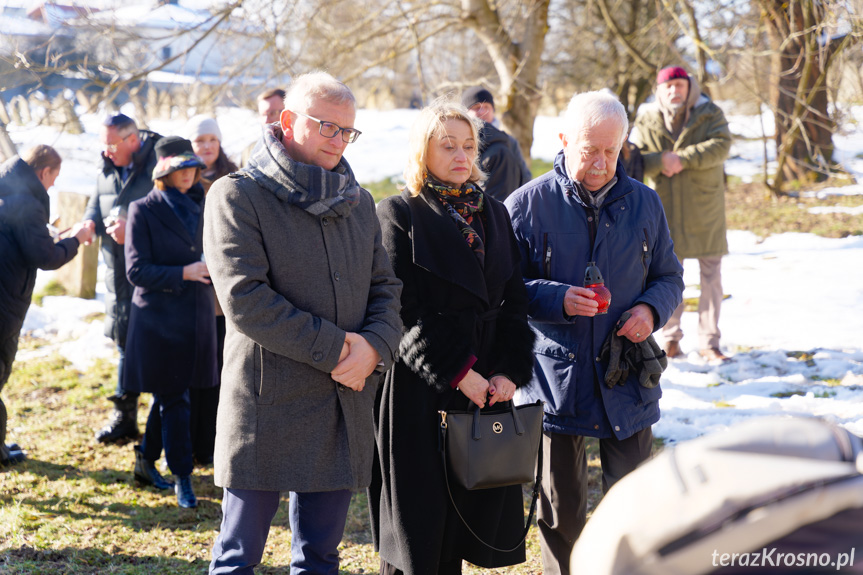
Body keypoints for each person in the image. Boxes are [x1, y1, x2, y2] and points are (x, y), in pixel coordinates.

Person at [204, 71, 403, 574]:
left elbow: (387, 289)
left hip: (341, 401)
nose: (339, 141)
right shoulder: (237, 196)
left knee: (319, 556)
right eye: (327, 127)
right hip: (266, 404)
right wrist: (343, 351)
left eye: (347, 131)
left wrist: (376, 348)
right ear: (288, 121)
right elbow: (246, 299)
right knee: (238, 557)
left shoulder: (357, 204)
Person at [503, 91, 684, 575]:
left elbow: (669, 276)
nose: (602, 162)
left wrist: (650, 308)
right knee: (561, 511)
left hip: (628, 375)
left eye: (612, 150)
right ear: (563, 140)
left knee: (634, 503)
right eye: (590, 149)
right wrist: (554, 298)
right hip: (556, 381)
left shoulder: (645, 202)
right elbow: (501, 290)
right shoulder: (525, 204)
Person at [370, 100, 537, 575]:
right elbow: (400, 309)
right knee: (419, 533)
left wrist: (507, 371)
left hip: (487, 383)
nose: (462, 155)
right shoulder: (398, 212)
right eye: (448, 146)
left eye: (469, 145)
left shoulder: (496, 213)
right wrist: (459, 372)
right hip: (423, 387)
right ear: (423, 151)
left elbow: (514, 300)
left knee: (467, 519)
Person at [123, 136, 216, 508]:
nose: (188, 174)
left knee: (175, 393)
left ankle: (146, 459)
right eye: (181, 168)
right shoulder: (142, 209)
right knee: (176, 398)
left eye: (192, 167)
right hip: (159, 321)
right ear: (165, 172)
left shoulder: (206, 203)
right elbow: (135, 270)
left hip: (197, 316)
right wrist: (185, 272)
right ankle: (183, 478)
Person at [630, 66, 733, 362]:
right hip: (664, 208)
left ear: (690, 87)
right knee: (666, 275)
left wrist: (683, 159)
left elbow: (722, 146)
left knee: (711, 275)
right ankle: (671, 339)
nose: (675, 90)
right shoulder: (646, 118)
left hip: (705, 208)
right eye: (668, 86)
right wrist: (661, 160)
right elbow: (633, 157)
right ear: (659, 90)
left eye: (680, 85)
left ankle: (709, 342)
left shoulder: (710, 112)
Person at [0, 146, 92, 467]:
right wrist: (77, 238)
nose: (52, 186)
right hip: (5, 302)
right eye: (54, 179)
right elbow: (46, 257)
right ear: (44, 172)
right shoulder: (27, 203)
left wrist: (52, 234)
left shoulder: (8, 190)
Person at [82, 113, 162, 444]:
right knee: (124, 342)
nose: (106, 151)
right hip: (117, 274)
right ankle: (125, 417)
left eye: (111, 144)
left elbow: (179, 219)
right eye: (102, 144)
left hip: (152, 275)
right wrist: (88, 223)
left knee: (155, 348)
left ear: (133, 140)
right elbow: (96, 202)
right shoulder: (107, 163)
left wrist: (134, 233)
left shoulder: (161, 162)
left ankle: (160, 426)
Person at [185, 114, 239, 466]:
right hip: (193, 285)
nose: (205, 146)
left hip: (225, 290)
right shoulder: (181, 178)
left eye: (211, 140)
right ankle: (193, 441)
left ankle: (215, 440)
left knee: (221, 369)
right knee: (195, 371)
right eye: (199, 140)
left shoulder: (233, 176)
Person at [461, 86, 532, 202]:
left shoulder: (508, 141)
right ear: (466, 113)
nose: (482, 111)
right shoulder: (458, 141)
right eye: (477, 107)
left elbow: (525, 177)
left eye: (486, 107)